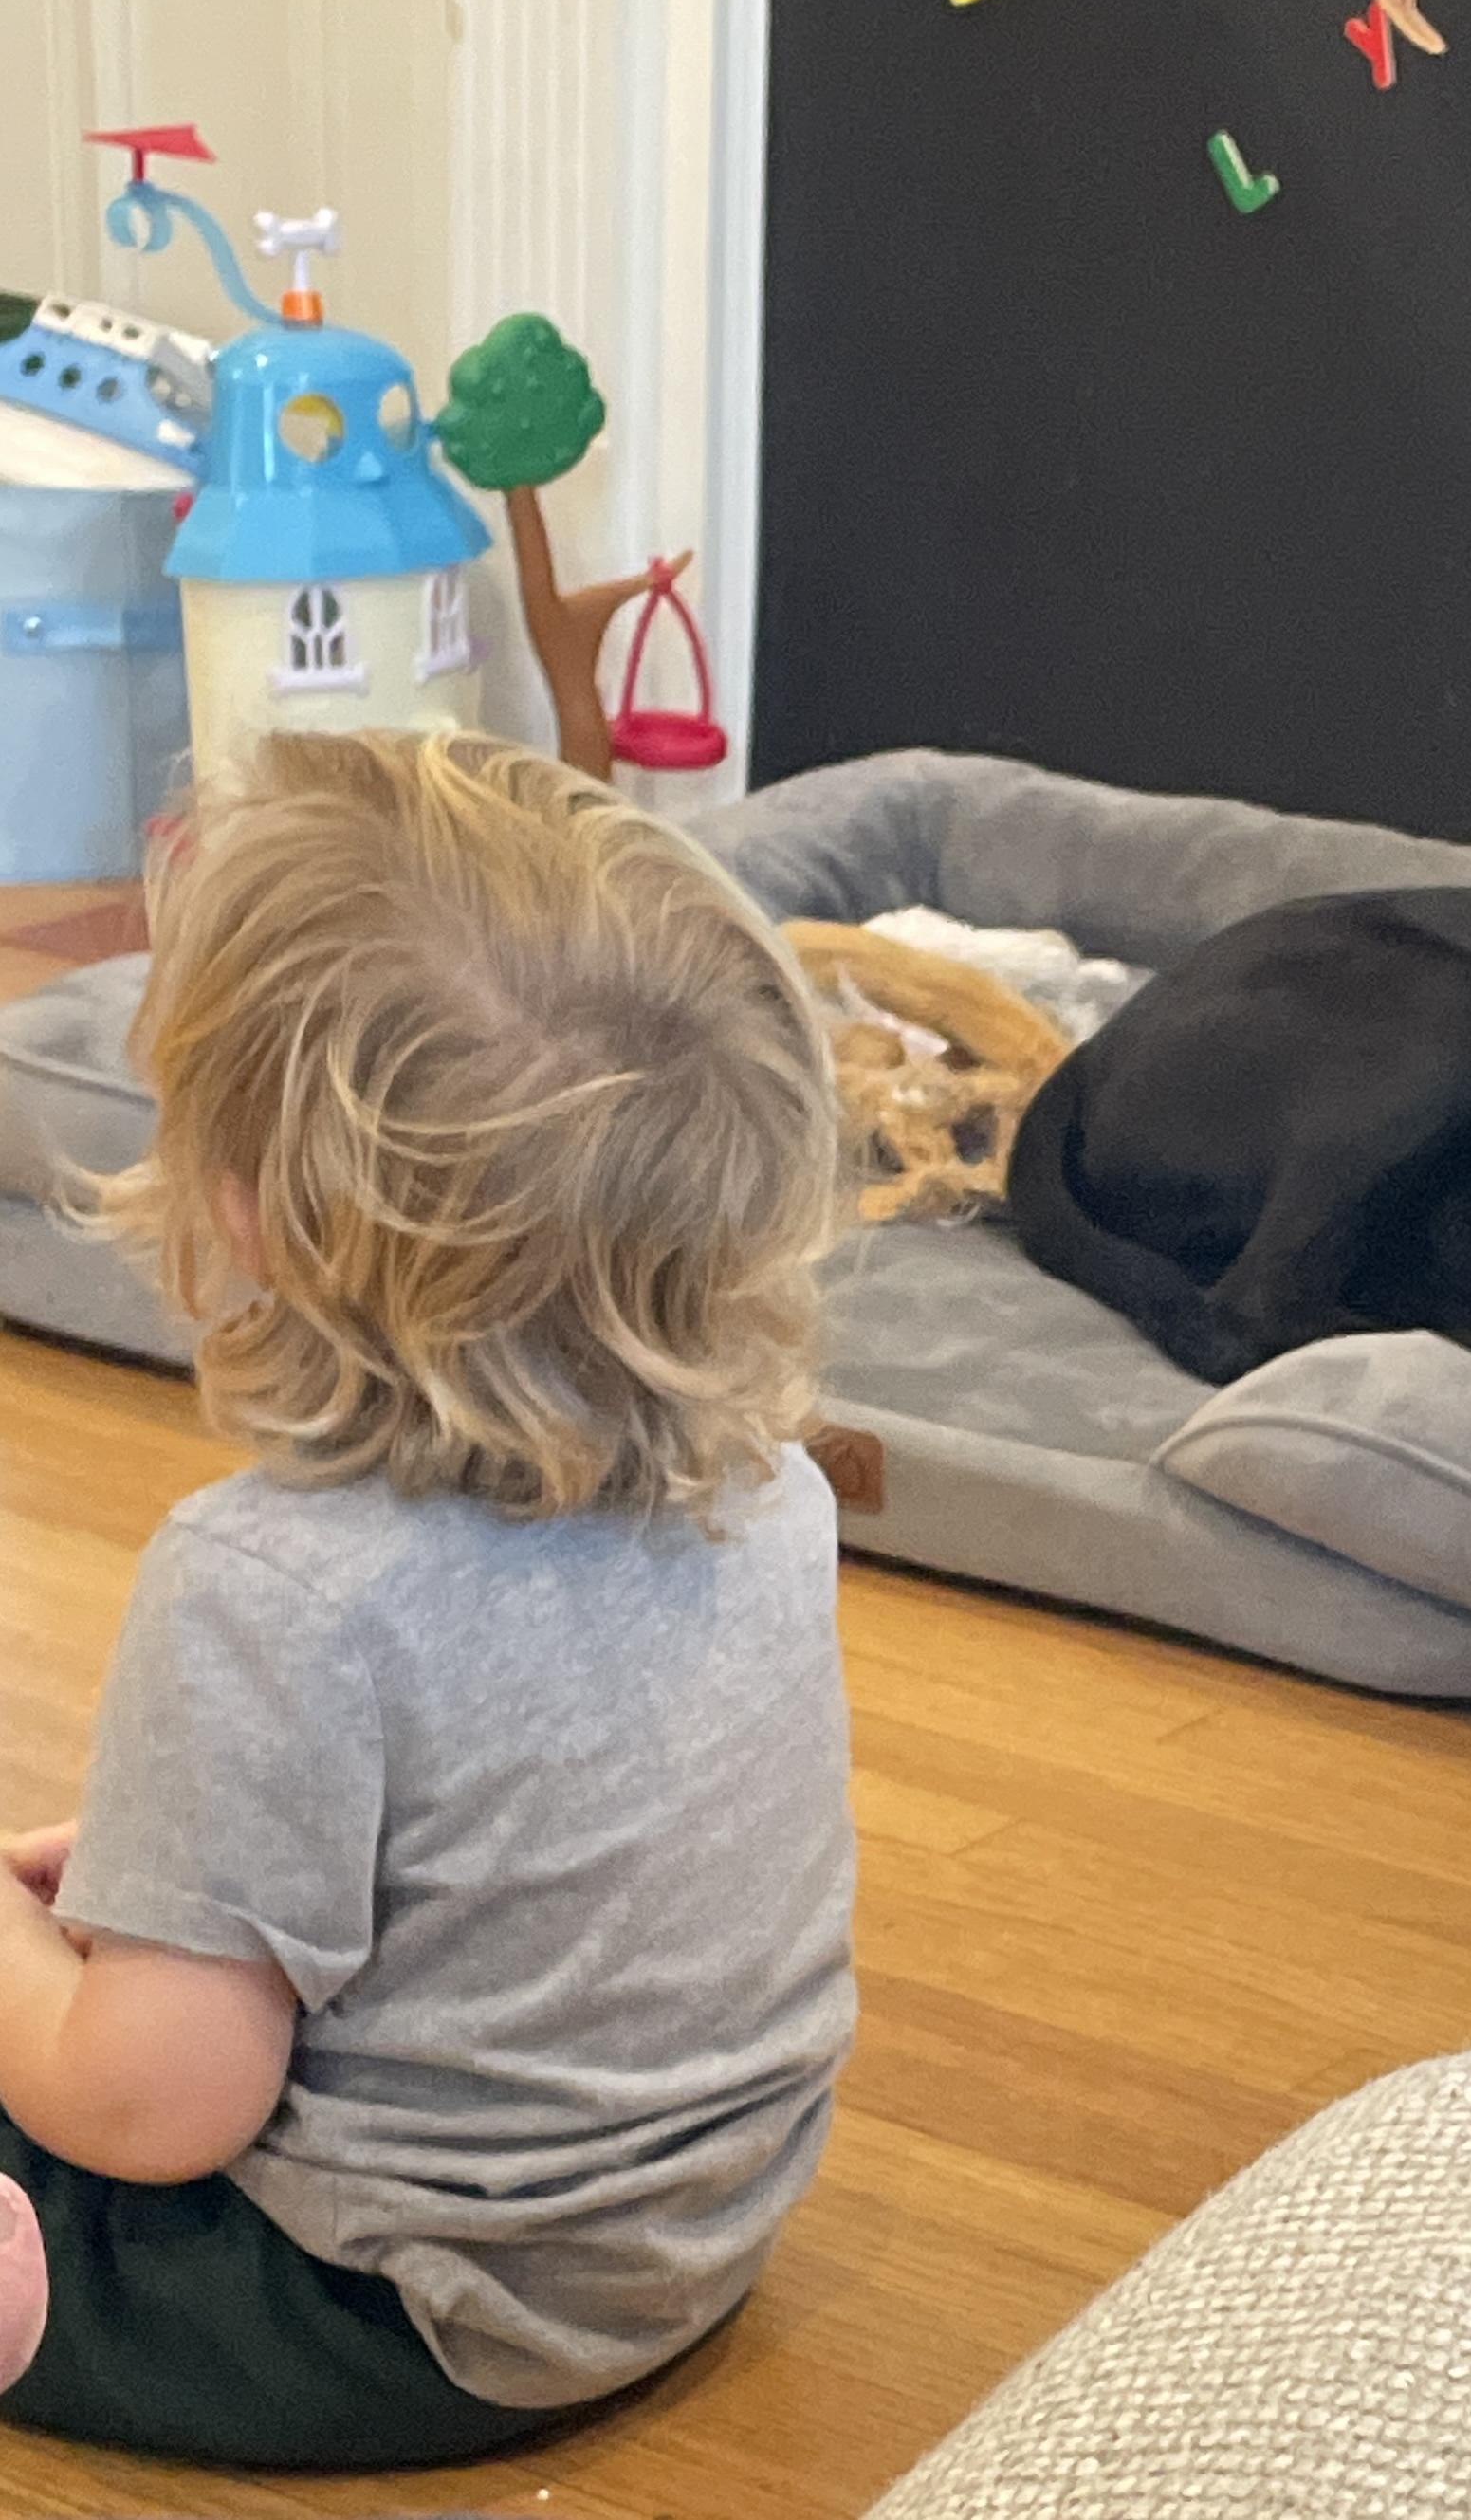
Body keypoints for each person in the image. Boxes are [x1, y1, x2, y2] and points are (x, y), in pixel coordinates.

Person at [0, 727, 855, 2467]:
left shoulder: (269, 1590)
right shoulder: (778, 1489)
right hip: (693, 2229)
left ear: (249, 1211)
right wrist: (173, 1864)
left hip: (390, 2313)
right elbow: (515, 1823)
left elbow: (146, 2105)